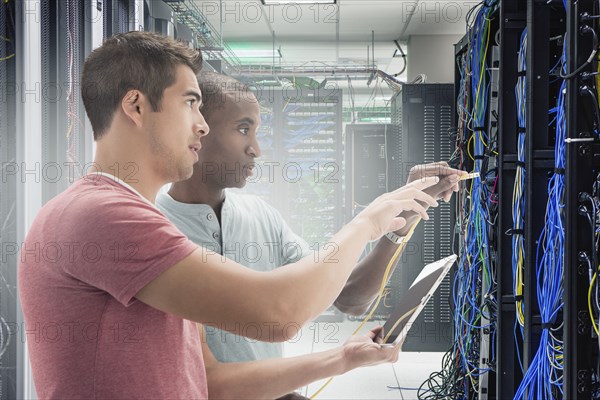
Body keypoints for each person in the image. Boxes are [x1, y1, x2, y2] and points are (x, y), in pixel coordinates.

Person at [17, 31, 455, 399]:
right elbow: (278, 313)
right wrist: (368, 221)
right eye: (190, 103)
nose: (202, 125)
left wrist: (342, 357)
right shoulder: (103, 214)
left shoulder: (135, 218)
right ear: (135, 106)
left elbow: (211, 381)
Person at [157, 72, 464, 398]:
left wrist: (400, 221)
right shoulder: (155, 227)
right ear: (196, 129)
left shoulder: (261, 214)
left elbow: (348, 297)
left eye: (257, 132)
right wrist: (365, 223)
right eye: (243, 129)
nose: (256, 150)